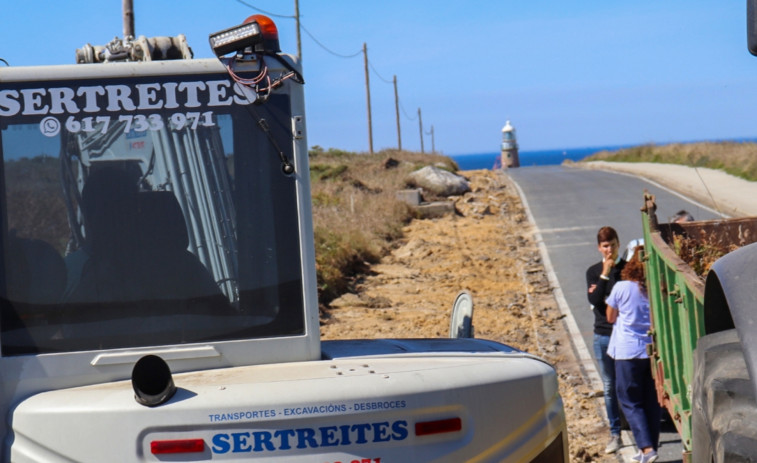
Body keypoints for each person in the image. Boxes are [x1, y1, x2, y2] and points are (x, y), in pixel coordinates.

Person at [606, 246, 662, 463]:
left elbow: (610, 316)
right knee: (651, 402)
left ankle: (647, 449)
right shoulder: (654, 288)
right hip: (650, 351)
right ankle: (649, 448)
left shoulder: (621, 287)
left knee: (630, 401)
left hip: (627, 352)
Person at [586, 226, 625, 454]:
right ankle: (615, 433)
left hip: (624, 335)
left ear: (618, 243)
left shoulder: (627, 269)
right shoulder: (593, 272)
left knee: (627, 384)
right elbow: (595, 298)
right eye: (605, 246)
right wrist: (604, 273)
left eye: (612, 244)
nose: (609, 249)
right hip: (602, 334)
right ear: (599, 248)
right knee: (609, 385)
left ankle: (641, 432)